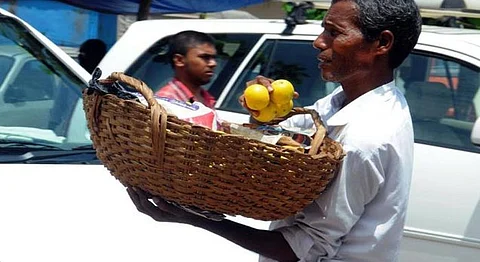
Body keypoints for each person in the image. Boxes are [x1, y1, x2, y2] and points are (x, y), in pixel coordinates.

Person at [126, 0, 422, 261]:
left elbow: (303, 248)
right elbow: (289, 136)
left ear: (381, 44)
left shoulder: (367, 136)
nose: (319, 42)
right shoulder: (346, 100)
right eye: (324, 30)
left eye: (334, 33)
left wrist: (195, 218)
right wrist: (263, 113)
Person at [154, 30, 218, 109]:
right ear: (179, 60)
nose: (213, 63)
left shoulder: (205, 98)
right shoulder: (167, 103)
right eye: (205, 57)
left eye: (214, 58)